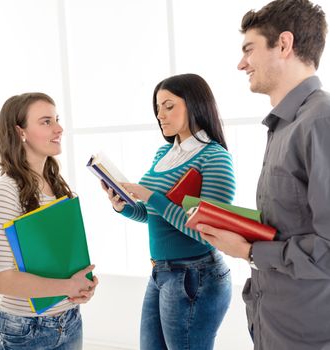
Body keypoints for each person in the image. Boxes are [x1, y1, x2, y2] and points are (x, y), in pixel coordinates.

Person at [198, 1, 330, 349]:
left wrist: (249, 252)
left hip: (307, 333)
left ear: (284, 45)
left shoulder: (320, 122)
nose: (242, 63)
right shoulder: (284, 126)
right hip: (272, 321)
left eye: (249, 50)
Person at [102, 73, 236, 350]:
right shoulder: (163, 153)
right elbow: (153, 214)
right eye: (157, 107)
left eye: (169, 105)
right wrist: (125, 207)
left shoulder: (215, 157)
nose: (160, 114)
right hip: (162, 272)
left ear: (195, 104)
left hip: (195, 275)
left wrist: (152, 196)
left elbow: (207, 233)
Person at [0, 92, 99, 349]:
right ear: (20, 132)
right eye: (46, 121)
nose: (59, 128)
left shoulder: (57, 185)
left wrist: (82, 284)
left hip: (68, 319)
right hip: (25, 330)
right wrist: (69, 285)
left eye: (56, 119)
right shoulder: (5, 190)